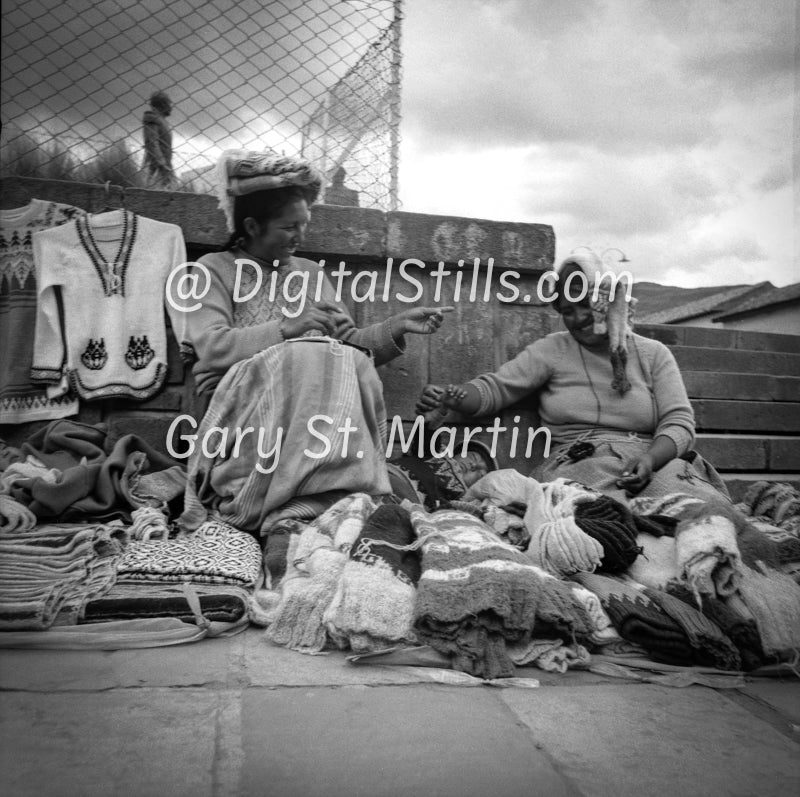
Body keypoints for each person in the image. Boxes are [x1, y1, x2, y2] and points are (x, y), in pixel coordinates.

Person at [170, 149, 451, 534]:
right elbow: (212, 347)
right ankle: (272, 499)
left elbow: (348, 347)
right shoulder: (213, 270)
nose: (300, 236)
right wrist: (288, 329)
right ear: (252, 226)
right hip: (247, 415)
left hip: (309, 414)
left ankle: (325, 493)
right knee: (302, 357)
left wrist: (397, 326)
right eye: (289, 227)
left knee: (344, 362)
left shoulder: (310, 273)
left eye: (304, 224)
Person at [416, 251, 731, 505]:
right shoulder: (552, 350)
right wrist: (453, 396)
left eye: (585, 306)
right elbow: (497, 389)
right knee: (595, 513)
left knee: (701, 508)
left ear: (608, 303)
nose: (577, 319)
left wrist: (651, 459)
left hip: (655, 463)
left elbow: (679, 422)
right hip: (583, 464)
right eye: (567, 310)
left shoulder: (653, 354)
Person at [142, 90, 174, 188]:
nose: (171, 107)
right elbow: (151, 142)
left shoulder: (161, 121)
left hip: (165, 165)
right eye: (169, 103)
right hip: (155, 166)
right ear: (162, 104)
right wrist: (161, 162)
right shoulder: (152, 118)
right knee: (152, 190)